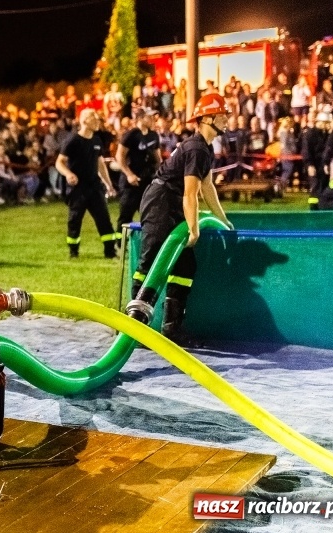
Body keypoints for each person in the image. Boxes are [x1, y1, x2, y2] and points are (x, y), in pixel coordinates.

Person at [129, 93, 233, 345]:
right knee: (151, 258)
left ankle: (172, 328)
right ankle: (133, 326)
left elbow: (207, 187)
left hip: (171, 201)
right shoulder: (197, 148)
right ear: (207, 118)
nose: (227, 119)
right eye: (222, 114)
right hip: (162, 201)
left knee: (185, 266)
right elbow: (190, 193)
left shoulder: (203, 148)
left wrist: (223, 219)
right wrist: (194, 229)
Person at [54, 108, 118, 259]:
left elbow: (100, 164)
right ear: (84, 121)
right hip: (78, 189)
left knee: (104, 219)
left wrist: (108, 184)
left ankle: (110, 251)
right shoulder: (72, 140)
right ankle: (73, 251)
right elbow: (59, 162)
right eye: (93, 118)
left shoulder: (96, 140)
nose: (97, 121)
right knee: (74, 220)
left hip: (95, 187)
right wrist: (69, 174)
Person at [115, 108, 161, 231]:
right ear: (140, 118)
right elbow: (120, 156)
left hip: (147, 180)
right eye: (149, 117)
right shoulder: (131, 135)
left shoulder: (154, 135)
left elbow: (157, 158)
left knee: (150, 214)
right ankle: (120, 243)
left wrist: (159, 173)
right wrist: (129, 175)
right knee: (126, 215)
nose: (152, 120)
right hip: (131, 183)